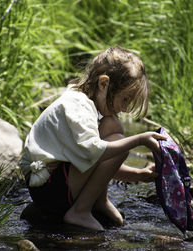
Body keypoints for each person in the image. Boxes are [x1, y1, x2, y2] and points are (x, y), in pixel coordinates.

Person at [19, 46, 166, 231]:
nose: (125, 108)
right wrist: (139, 140)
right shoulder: (78, 107)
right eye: (125, 99)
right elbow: (92, 152)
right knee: (120, 141)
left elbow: (97, 162)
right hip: (49, 190)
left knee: (113, 128)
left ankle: (98, 201)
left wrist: (137, 175)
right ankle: (80, 211)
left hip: (54, 183)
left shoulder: (82, 100)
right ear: (103, 84)